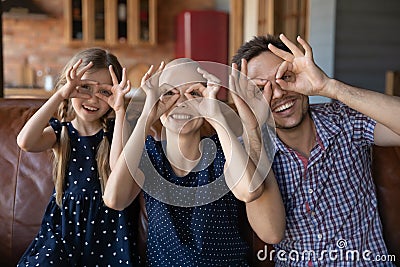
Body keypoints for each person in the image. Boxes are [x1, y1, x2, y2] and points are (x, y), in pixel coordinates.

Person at [231, 34, 400, 266]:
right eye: (261, 90)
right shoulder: (248, 149)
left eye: (285, 77)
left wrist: (328, 86)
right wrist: (254, 130)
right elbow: (271, 233)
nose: (279, 94)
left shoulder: (343, 120)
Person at [103, 58, 285, 266]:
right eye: (169, 93)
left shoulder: (223, 150)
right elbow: (114, 199)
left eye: (194, 94)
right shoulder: (150, 156)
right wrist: (147, 115)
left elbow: (250, 190)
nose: (182, 103)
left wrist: (215, 115)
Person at [16, 48, 139, 266]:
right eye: (85, 88)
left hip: (109, 229)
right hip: (64, 228)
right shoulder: (61, 132)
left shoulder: (116, 131)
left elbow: (118, 166)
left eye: (104, 92)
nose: (92, 98)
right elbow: (25, 141)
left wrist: (120, 111)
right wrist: (61, 94)